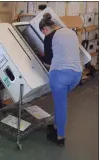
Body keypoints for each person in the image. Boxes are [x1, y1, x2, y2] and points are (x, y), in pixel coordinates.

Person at [39, 13, 82, 147]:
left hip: (60, 76)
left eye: (43, 32)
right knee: (60, 102)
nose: (44, 34)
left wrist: (39, 56)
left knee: (61, 105)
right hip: (77, 74)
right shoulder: (71, 32)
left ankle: (60, 137)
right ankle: (56, 126)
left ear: (45, 29)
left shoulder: (49, 37)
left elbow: (47, 61)